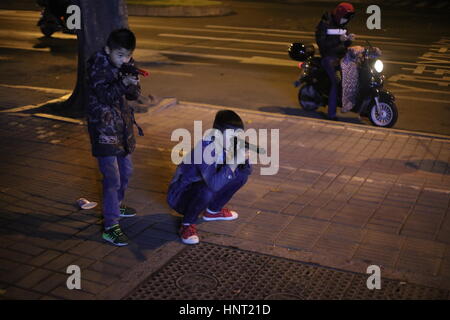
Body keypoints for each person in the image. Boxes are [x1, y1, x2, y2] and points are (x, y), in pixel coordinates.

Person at [86, 28, 144, 246]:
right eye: (120, 55)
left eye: (128, 55)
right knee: (112, 178)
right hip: (103, 129)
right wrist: (123, 82)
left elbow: (134, 95)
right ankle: (111, 225)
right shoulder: (97, 65)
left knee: (127, 171)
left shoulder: (126, 63)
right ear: (108, 49)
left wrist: (132, 81)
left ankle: (116, 204)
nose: (125, 59)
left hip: (122, 127)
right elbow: (105, 96)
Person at [167, 110, 252, 245]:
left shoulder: (229, 146)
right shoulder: (203, 149)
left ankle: (212, 211)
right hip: (180, 196)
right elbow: (213, 184)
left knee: (241, 176)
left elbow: (246, 172)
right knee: (208, 189)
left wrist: (244, 159)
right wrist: (234, 161)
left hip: (203, 187)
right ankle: (187, 224)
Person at [315, 2, 355, 121]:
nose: (346, 21)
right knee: (336, 81)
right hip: (328, 57)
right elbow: (322, 44)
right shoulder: (325, 23)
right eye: (345, 18)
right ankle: (331, 114)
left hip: (340, 57)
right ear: (339, 14)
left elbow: (343, 44)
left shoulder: (342, 24)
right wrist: (339, 40)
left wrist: (348, 40)